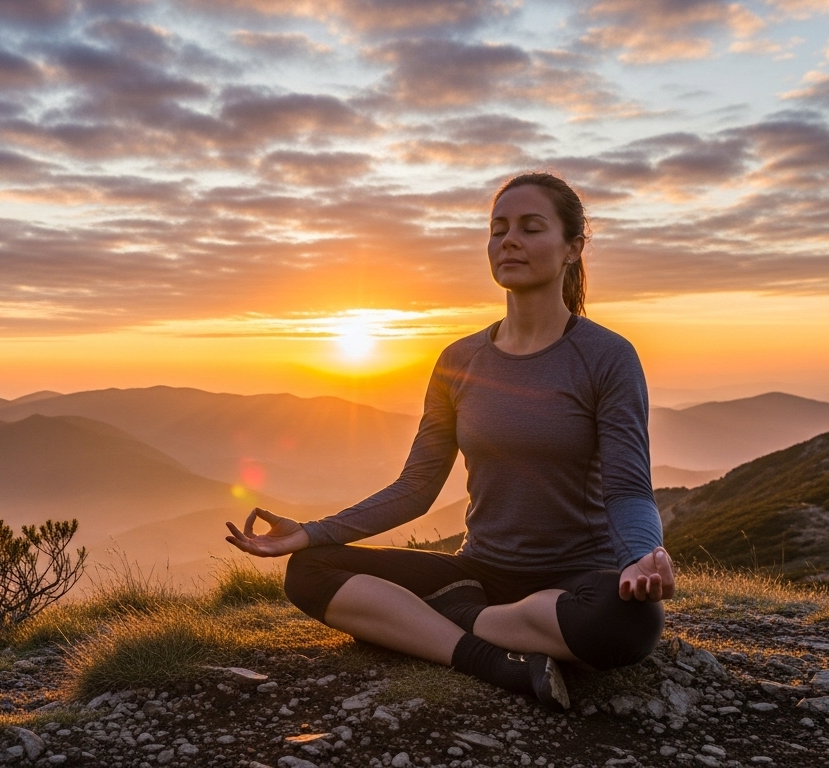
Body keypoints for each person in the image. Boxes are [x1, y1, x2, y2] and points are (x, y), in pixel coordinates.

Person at [224, 171, 673, 710]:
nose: (509, 240)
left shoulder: (607, 357)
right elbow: (416, 487)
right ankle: (490, 659)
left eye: (531, 228)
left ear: (573, 248)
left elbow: (627, 490)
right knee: (311, 571)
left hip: (575, 578)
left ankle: (458, 622)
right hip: (480, 570)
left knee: (625, 623)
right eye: (498, 228)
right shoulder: (459, 361)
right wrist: (312, 533)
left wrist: (640, 558)